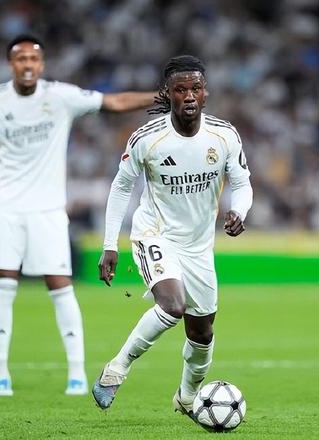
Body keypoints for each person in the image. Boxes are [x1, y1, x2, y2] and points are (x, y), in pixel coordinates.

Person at [0, 34, 155, 397]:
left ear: (42, 64)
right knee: (3, 287)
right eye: (20, 58)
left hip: (48, 210)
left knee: (61, 286)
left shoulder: (60, 97)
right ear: (11, 64)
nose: (27, 64)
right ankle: (1, 375)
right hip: (4, 208)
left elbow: (114, 102)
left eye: (33, 59)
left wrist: (162, 97)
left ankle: (76, 375)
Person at [93, 55, 253, 417]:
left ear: (206, 92)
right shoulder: (147, 139)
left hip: (199, 247)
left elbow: (242, 183)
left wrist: (239, 211)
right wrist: (109, 245)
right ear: (168, 94)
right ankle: (116, 369)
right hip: (155, 234)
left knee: (202, 334)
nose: (190, 95)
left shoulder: (224, 135)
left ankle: (186, 396)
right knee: (172, 306)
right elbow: (121, 187)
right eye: (181, 89)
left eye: (196, 88)